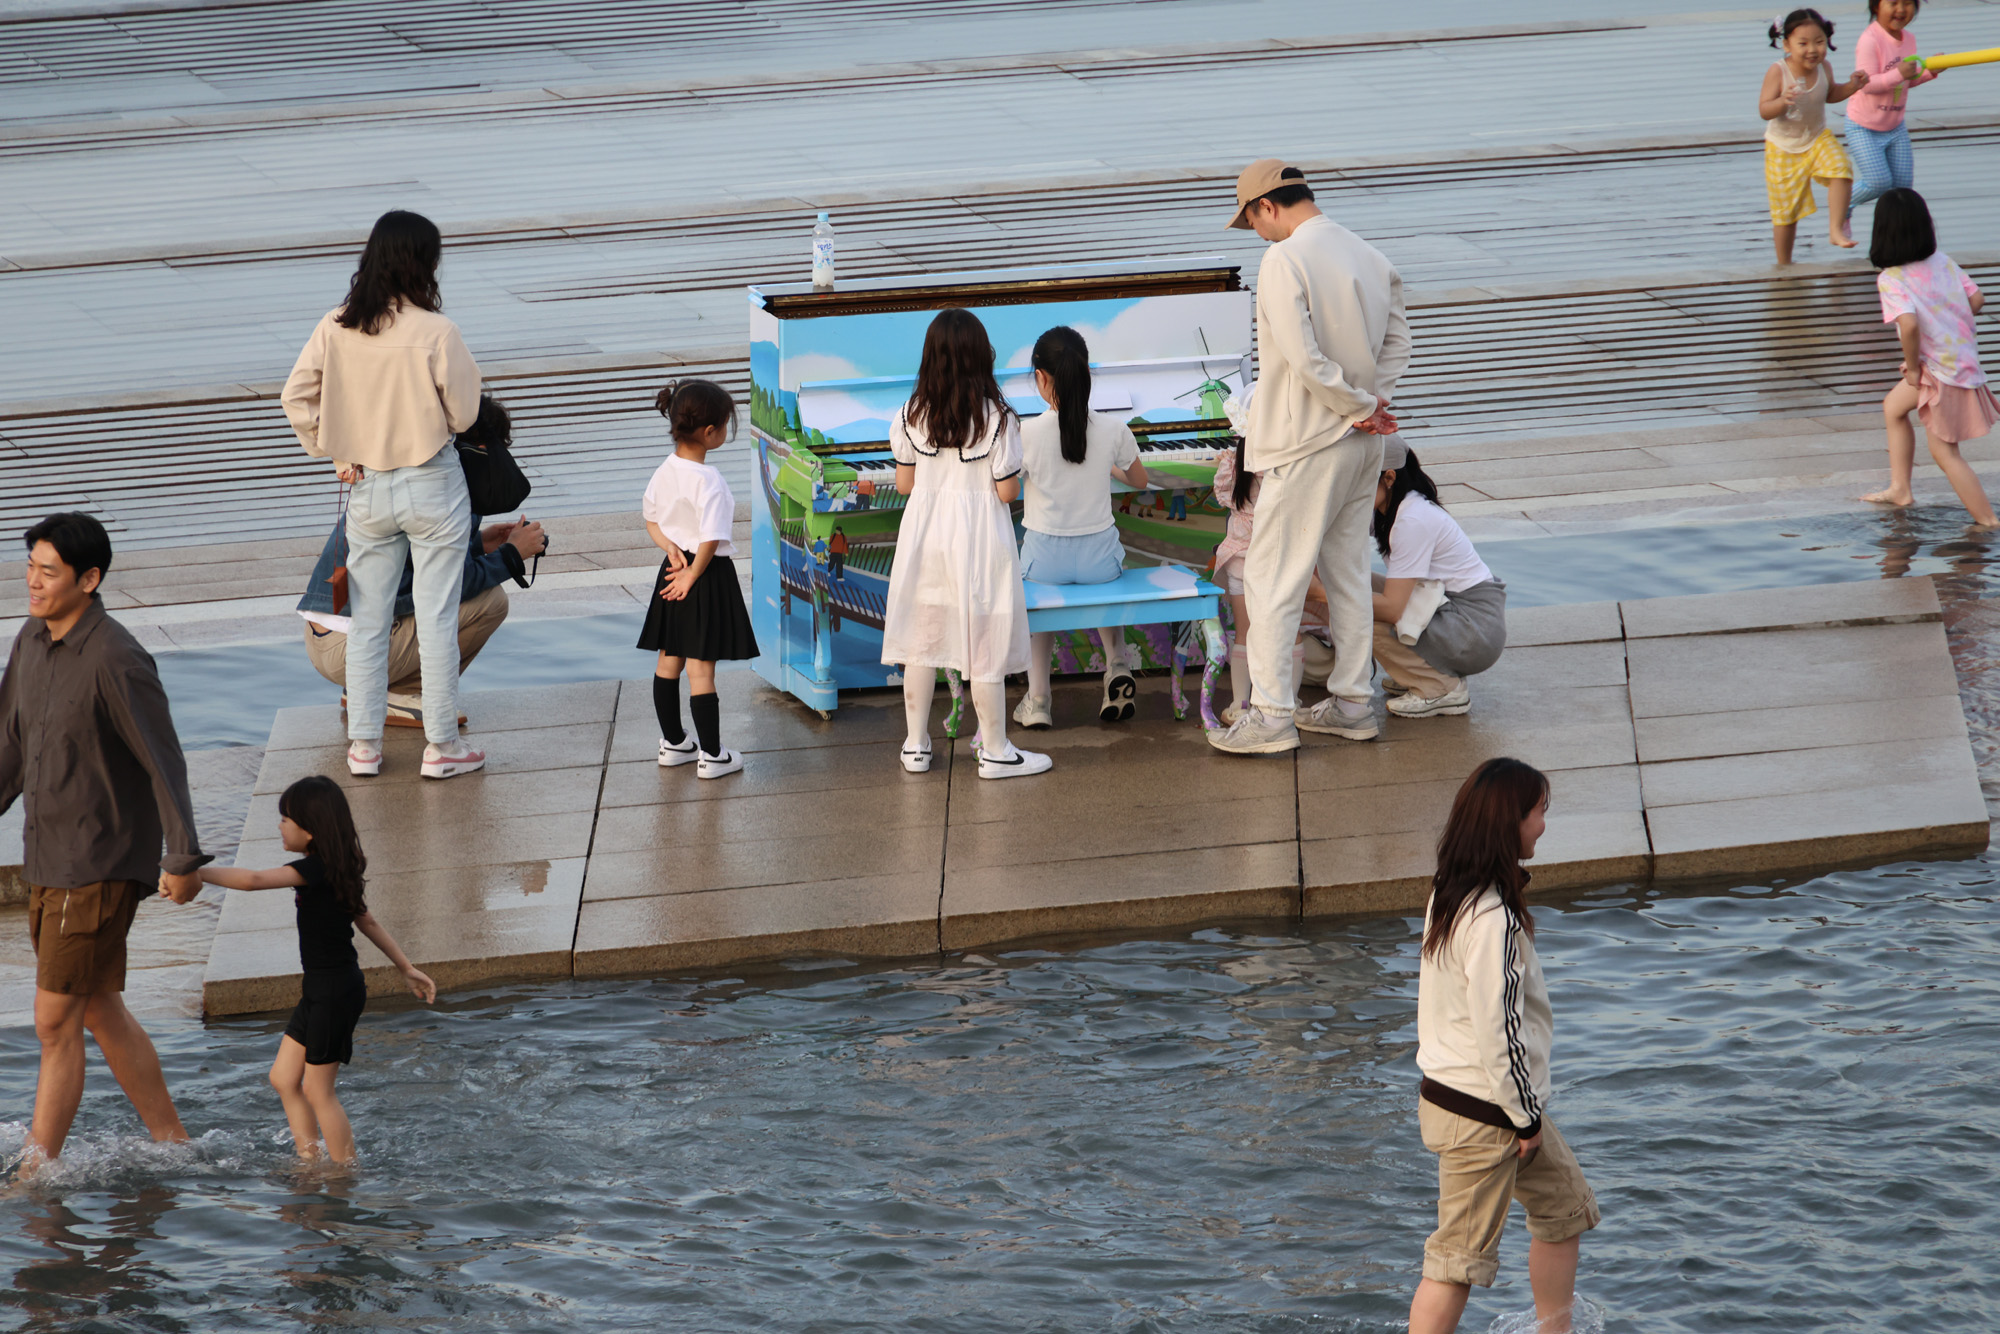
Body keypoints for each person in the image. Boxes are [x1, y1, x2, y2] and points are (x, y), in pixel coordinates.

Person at [0, 513, 210, 1172]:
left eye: (49, 571)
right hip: (49, 856)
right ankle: (173, 1143)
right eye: (31, 566)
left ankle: (38, 1168)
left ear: (89, 580)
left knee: (53, 1020)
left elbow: (163, 761)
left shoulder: (117, 658)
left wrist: (182, 857)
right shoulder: (31, 641)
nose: (33, 582)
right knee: (96, 1007)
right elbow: (9, 746)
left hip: (100, 862)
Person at [1209, 160, 1410, 756]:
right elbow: (1399, 341)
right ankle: (1353, 703)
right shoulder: (1370, 256)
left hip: (1304, 441)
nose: (1258, 236)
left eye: (1253, 222)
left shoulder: (1284, 259)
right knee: (1346, 572)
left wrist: (1352, 404)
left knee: (1273, 577)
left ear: (1266, 205)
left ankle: (1271, 715)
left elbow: (1300, 356)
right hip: (1362, 443)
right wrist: (1373, 403)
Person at [282, 209, 487, 782]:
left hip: (366, 484)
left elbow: (295, 396)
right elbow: (465, 413)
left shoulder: (336, 325)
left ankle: (365, 747)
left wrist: (335, 451)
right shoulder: (437, 332)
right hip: (431, 481)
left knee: (369, 621)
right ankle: (440, 747)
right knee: (437, 615)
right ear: (424, 263)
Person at [1408, 758, 1599, 1334]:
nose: (1544, 825)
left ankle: (1554, 1329)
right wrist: (1523, 1120)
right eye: (1540, 812)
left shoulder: (1451, 891)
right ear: (1508, 822)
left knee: (1566, 1207)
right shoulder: (1494, 918)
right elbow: (1500, 1032)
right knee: (1456, 1262)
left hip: (1470, 1101)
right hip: (1488, 1113)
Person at [193, 776, 435, 1164]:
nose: (280, 826)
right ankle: (309, 1160)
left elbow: (253, 880)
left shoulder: (317, 870)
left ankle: (342, 1173)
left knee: (319, 1090)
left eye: (286, 819)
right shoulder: (337, 868)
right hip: (323, 990)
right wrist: (406, 968)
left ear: (310, 829)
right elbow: (367, 922)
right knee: (284, 1079)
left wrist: (199, 872)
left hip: (334, 992)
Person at [298, 399, 546, 730]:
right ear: (484, 448)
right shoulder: (446, 490)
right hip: (349, 648)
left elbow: (410, 559)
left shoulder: (398, 470)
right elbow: (448, 585)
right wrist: (511, 556)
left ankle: (366, 687)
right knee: (491, 602)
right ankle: (400, 695)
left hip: (324, 637)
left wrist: (479, 543)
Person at [880, 308, 1049, 779]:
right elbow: (1006, 493)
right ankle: (995, 750)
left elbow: (905, 485)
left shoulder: (911, 413)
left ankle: (915, 745)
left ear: (929, 358)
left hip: (926, 538)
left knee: (922, 640)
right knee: (986, 641)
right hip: (980, 541)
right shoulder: (1000, 419)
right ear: (982, 356)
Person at [1013, 326, 1149, 730]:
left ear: (1041, 377)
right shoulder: (1112, 429)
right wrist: (1105, 465)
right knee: (1105, 582)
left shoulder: (1027, 433)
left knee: (1040, 604)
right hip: (1099, 560)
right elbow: (1139, 482)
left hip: (1044, 560)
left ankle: (1038, 698)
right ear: (1086, 372)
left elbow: (1005, 485)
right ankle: (1118, 663)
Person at [638, 380, 760, 779]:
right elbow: (711, 538)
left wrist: (670, 550)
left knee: (668, 659)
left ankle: (674, 743)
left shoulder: (664, 469)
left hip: (671, 571)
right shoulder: (710, 481)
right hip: (702, 575)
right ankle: (712, 755)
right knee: (701, 670)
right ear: (710, 433)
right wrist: (693, 571)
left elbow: (651, 519)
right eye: (725, 425)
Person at [1858, 190, 1998, 522]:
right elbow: (1977, 299)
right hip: (1957, 360)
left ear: (1882, 232)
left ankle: (1988, 522)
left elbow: (1908, 326)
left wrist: (1913, 368)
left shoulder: (1891, 279)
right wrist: (1949, 325)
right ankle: (1900, 489)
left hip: (1938, 371)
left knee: (1945, 452)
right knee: (1893, 407)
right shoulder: (1942, 261)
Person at [1372, 437, 1507, 718]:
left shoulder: (1412, 519)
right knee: (1354, 586)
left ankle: (1439, 686)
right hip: (1454, 613)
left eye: (1356, 476)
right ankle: (1416, 669)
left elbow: (1393, 608)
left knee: (1352, 608)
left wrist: (1321, 594)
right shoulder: (1389, 509)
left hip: (1473, 631)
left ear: (1388, 477)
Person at [1211, 435, 1328, 726]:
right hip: (1281, 561)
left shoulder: (1235, 464)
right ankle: (1291, 702)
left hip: (1242, 561)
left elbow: (1223, 495)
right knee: (1291, 633)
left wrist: (1228, 460)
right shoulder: (1286, 466)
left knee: (1244, 634)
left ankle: (1240, 704)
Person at [1758, 9, 1866, 264]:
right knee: (1786, 213)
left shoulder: (1824, 67)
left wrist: (1852, 86)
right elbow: (1764, 109)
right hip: (1782, 147)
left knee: (1841, 169)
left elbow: (1830, 94)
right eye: (1803, 43)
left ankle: (1835, 229)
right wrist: (1782, 102)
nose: (1812, 50)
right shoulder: (1778, 71)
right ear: (1786, 44)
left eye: (1819, 42)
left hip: (1817, 137)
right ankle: (1784, 263)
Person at [1846, 0, 1940, 220]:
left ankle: (1895, 240)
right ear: (1876, 6)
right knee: (1878, 182)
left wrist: (1930, 71)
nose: (1901, 10)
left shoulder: (1909, 39)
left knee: (1902, 191)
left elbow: (1907, 81)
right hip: (1864, 127)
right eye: (1893, 3)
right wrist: (1899, 74)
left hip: (1895, 127)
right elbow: (1867, 84)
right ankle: (1842, 205)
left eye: (1907, 3)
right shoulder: (1870, 40)